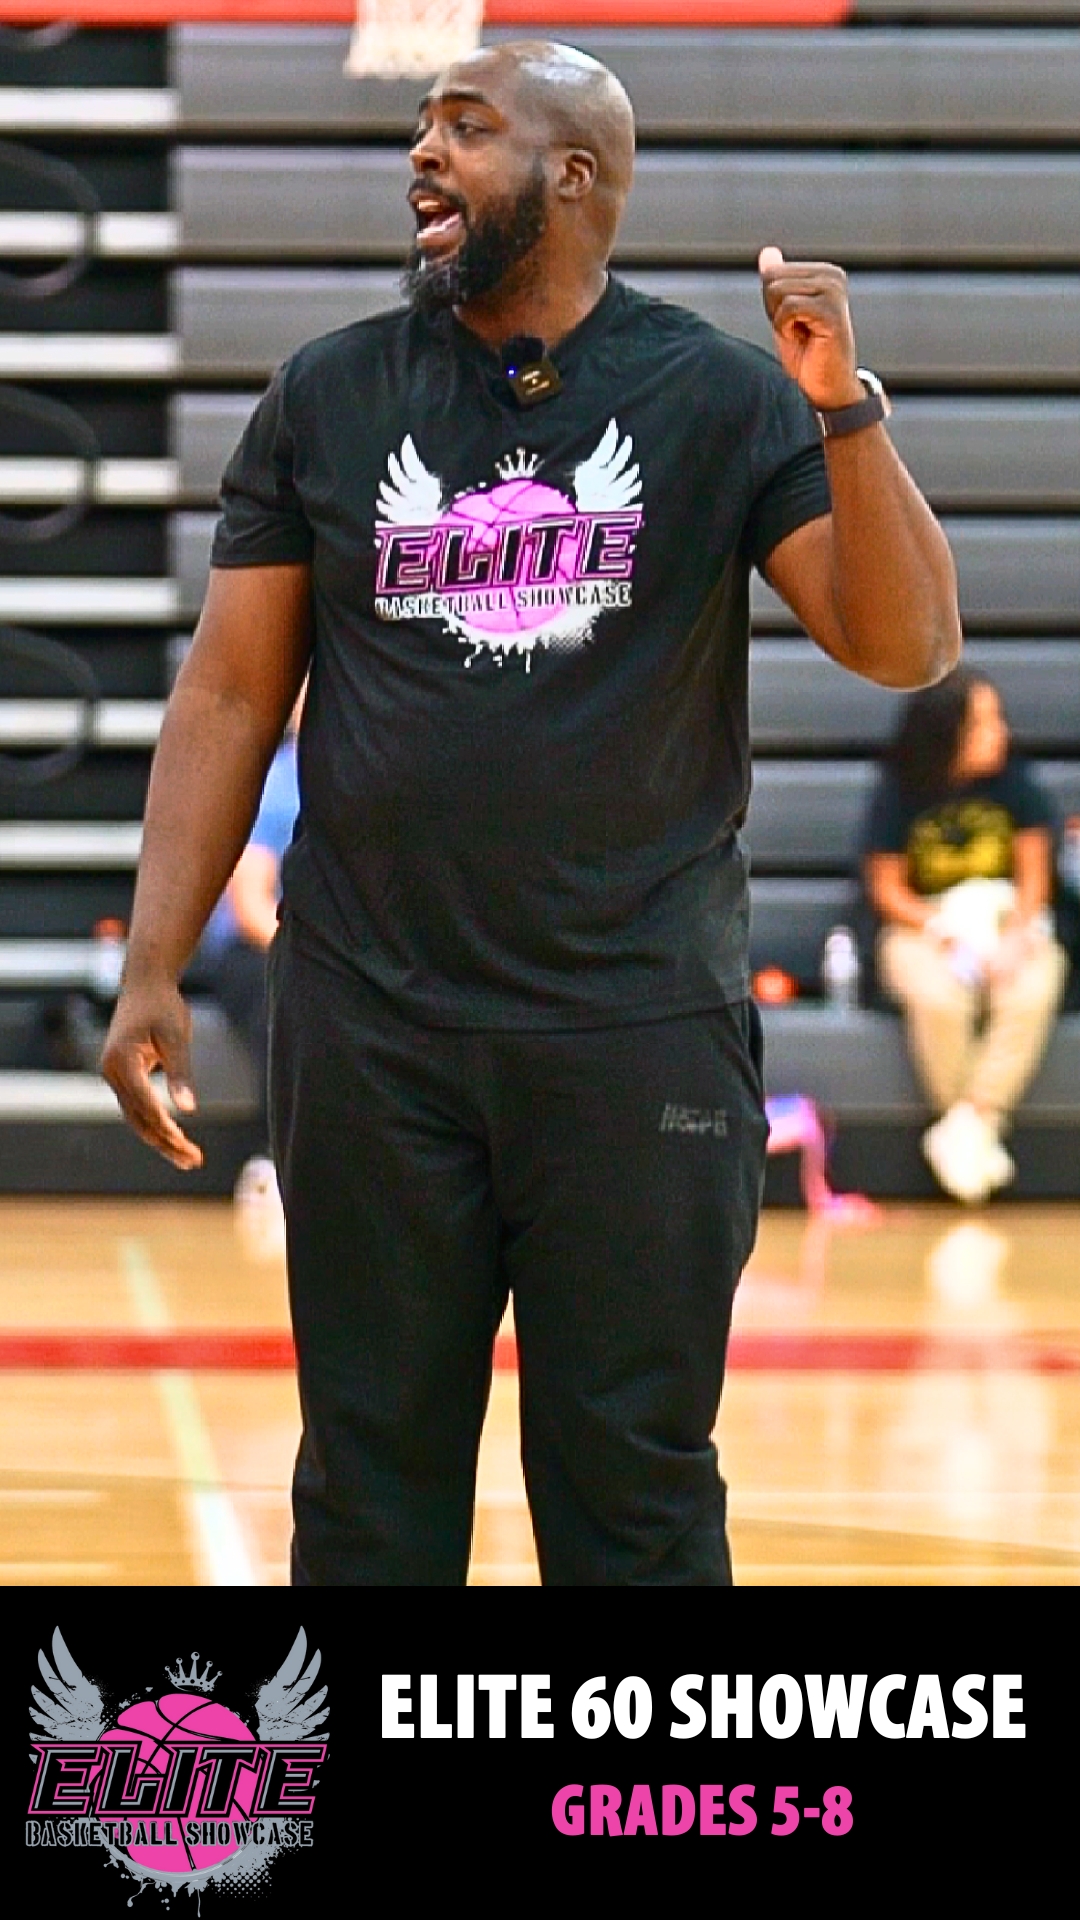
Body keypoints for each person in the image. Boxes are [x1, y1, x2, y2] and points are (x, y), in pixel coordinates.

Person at [102, 40, 961, 1586]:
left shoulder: (715, 395)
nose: (422, 157)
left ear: (572, 176)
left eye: (466, 129)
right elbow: (230, 695)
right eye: (423, 130)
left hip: (638, 1029)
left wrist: (847, 410)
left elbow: (903, 645)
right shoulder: (329, 393)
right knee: (367, 1497)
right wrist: (155, 959)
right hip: (375, 1028)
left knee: (632, 1500)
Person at [864, 667, 1067, 1204]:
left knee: (1033, 986)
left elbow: (1034, 878)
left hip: (1004, 917)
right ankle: (976, 1135)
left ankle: (967, 1125)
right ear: (948, 734)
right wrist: (943, 931)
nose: (998, 731)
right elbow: (886, 888)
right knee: (938, 998)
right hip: (924, 924)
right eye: (983, 723)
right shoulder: (901, 787)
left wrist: (1019, 937)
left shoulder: (1016, 783)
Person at [197, 694, 302, 1218]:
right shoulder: (280, 782)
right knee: (287, 998)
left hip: (323, 947)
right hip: (255, 947)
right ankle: (277, 1161)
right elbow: (250, 904)